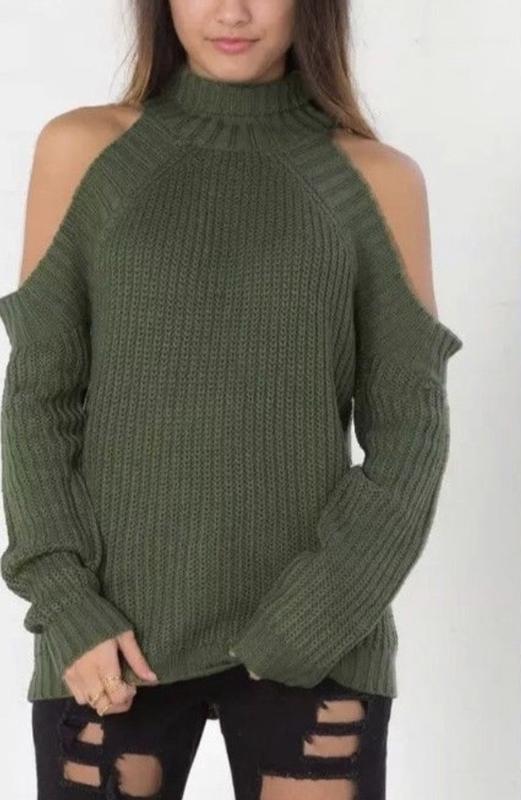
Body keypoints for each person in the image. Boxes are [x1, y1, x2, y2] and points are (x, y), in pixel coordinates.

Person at [0, 1, 463, 798]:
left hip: (317, 644)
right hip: (109, 645)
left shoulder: (374, 179)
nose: (232, 11)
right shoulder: (85, 151)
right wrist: (68, 605)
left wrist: (313, 622)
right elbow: (38, 402)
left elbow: (408, 433)